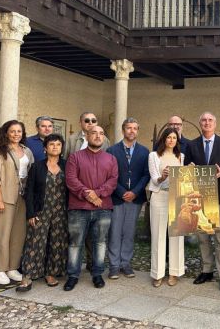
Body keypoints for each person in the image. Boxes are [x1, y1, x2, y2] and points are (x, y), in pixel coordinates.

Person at [184, 112, 220, 292]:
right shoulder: (191, 145)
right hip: (198, 197)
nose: (207, 123)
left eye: (210, 120)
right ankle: (207, 270)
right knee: (203, 237)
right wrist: (189, 169)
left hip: (219, 197)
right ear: (200, 123)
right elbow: (186, 169)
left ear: (215, 123)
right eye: (204, 120)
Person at [64, 125, 118, 291]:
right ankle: (73, 275)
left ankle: (97, 274)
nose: (98, 136)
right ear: (86, 136)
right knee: (75, 243)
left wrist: (97, 194)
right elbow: (71, 180)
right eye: (94, 133)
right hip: (79, 208)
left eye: (101, 133)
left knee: (100, 242)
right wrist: (88, 194)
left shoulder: (111, 159)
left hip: (103, 208)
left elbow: (113, 181)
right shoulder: (75, 157)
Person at [17, 134, 68, 292]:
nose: (55, 147)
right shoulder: (37, 166)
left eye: (58, 144)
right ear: (45, 148)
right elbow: (29, 191)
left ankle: (51, 273)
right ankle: (28, 275)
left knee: (57, 241)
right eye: (51, 144)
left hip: (61, 211)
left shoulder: (67, 165)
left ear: (61, 148)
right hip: (41, 210)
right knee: (35, 242)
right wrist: (31, 213)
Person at [0, 120, 34, 285]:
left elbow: (32, 174)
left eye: (19, 131)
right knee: (3, 234)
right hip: (5, 197)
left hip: (22, 198)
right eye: (13, 131)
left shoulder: (27, 151)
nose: (16, 134)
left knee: (18, 234)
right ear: (6, 133)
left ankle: (12, 267)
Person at [106, 118, 150, 279]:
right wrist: (121, 191)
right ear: (123, 130)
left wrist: (135, 192)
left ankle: (126, 264)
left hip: (135, 198)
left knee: (129, 232)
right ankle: (114, 265)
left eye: (134, 128)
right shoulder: (112, 151)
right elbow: (109, 175)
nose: (132, 131)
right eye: (128, 128)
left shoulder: (145, 152)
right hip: (117, 197)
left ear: (137, 131)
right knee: (115, 231)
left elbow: (146, 174)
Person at [148, 128, 186, 287]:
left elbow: (182, 179)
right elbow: (154, 179)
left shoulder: (180, 156)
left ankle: (174, 272)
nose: (171, 140)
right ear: (163, 139)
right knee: (158, 235)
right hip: (159, 196)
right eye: (169, 137)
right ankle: (158, 273)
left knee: (176, 236)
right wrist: (162, 176)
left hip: (177, 197)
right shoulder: (154, 156)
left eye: (174, 138)